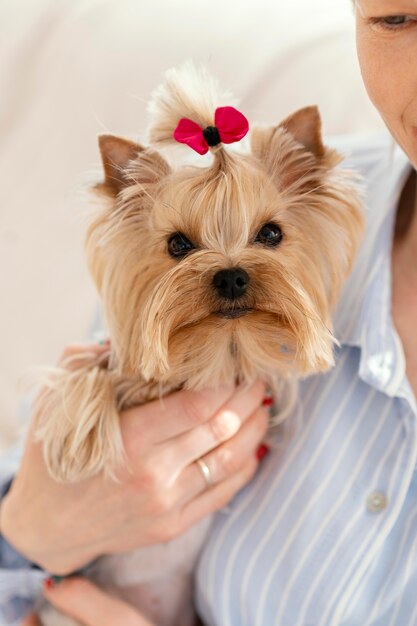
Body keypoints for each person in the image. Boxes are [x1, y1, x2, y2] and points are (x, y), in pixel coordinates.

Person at [2, 0, 417, 623]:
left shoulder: (320, 205)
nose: (228, 270)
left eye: (268, 237)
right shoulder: (155, 318)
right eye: (397, 19)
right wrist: (26, 531)